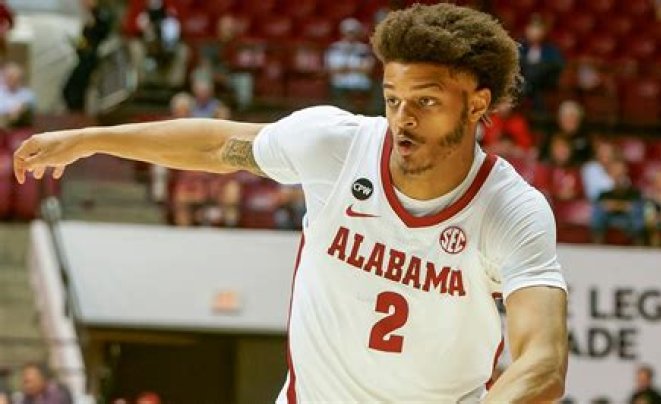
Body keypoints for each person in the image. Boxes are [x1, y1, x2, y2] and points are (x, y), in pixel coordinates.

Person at [12, 4, 568, 401]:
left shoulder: (510, 209)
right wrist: (90, 138)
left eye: (425, 102)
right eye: (393, 99)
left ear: (477, 104)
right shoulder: (336, 146)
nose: (403, 120)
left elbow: (542, 362)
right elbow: (216, 145)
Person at [62, 0, 112, 111]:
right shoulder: (88, 16)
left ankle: (78, 112)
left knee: (74, 90)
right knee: (70, 90)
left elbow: (102, 35)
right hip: (84, 57)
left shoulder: (101, 15)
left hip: (91, 59)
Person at [325, 18, 376, 113]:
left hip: (360, 86)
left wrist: (344, 68)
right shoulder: (334, 48)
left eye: (353, 32)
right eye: (348, 32)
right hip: (340, 86)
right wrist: (356, 68)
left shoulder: (364, 49)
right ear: (342, 33)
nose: (351, 35)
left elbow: (367, 70)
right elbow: (333, 70)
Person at [591, 159, 645, 245]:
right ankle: (597, 243)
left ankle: (639, 244)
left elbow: (632, 207)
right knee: (598, 209)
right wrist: (623, 206)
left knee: (637, 210)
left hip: (628, 220)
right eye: (615, 172)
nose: (618, 175)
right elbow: (603, 206)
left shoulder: (634, 192)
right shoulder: (605, 193)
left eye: (620, 173)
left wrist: (614, 205)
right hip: (609, 219)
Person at [519, 14, 564, 113]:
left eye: (538, 28)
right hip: (523, 85)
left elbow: (558, 65)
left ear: (544, 31)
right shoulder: (521, 47)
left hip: (543, 86)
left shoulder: (550, 50)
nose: (534, 31)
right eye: (532, 28)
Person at [540, 100, 592, 165]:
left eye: (574, 118)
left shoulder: (585, 137)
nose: (570, 122)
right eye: (567, 119)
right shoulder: (551, 135)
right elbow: (543, 157)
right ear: (560, 120)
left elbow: (587, 159)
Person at [0, 62, 35, 128]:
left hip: (21, 127)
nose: (12, 80)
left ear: (20, 78)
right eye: (9, 77)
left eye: (15, 77)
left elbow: (30, 109)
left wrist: (21, 108)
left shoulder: (27, 94)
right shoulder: (1, 92)